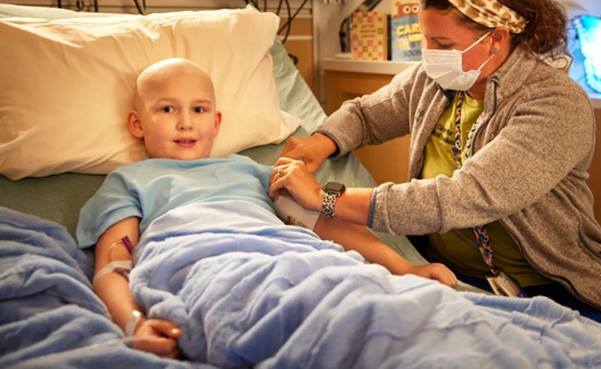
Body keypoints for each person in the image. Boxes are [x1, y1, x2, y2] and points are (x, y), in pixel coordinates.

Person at [269, 0, 601, 329]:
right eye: (426, 40)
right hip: (450, 273)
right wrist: (320, 142)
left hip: (550, 287)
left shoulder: (554, 103)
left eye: (443, 44)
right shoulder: (436, 79)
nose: (430, 56)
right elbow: (366, 114)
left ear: (496, 38)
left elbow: (462, 197)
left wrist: (324, 199)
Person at [76, 57, 456, 359]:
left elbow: (324, 227)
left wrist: (405, 268)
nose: (186, 123)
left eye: (199, 109)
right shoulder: (130, 181)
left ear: (217, 121)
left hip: (288, 254)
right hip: (201, 261)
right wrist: (134, 323)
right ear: (137, 124)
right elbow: (113, 265)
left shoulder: (251, 171)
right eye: (167, 110)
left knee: (369, 300)